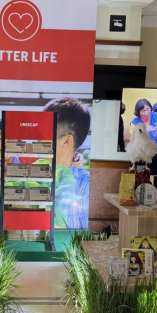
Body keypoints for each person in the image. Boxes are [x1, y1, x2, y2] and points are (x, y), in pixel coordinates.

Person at [43, 97, 91, 230]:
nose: (37, 139)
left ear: (66, 141)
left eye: (44, 133)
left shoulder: (84, 186)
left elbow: (84, 239)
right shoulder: (32, 175)